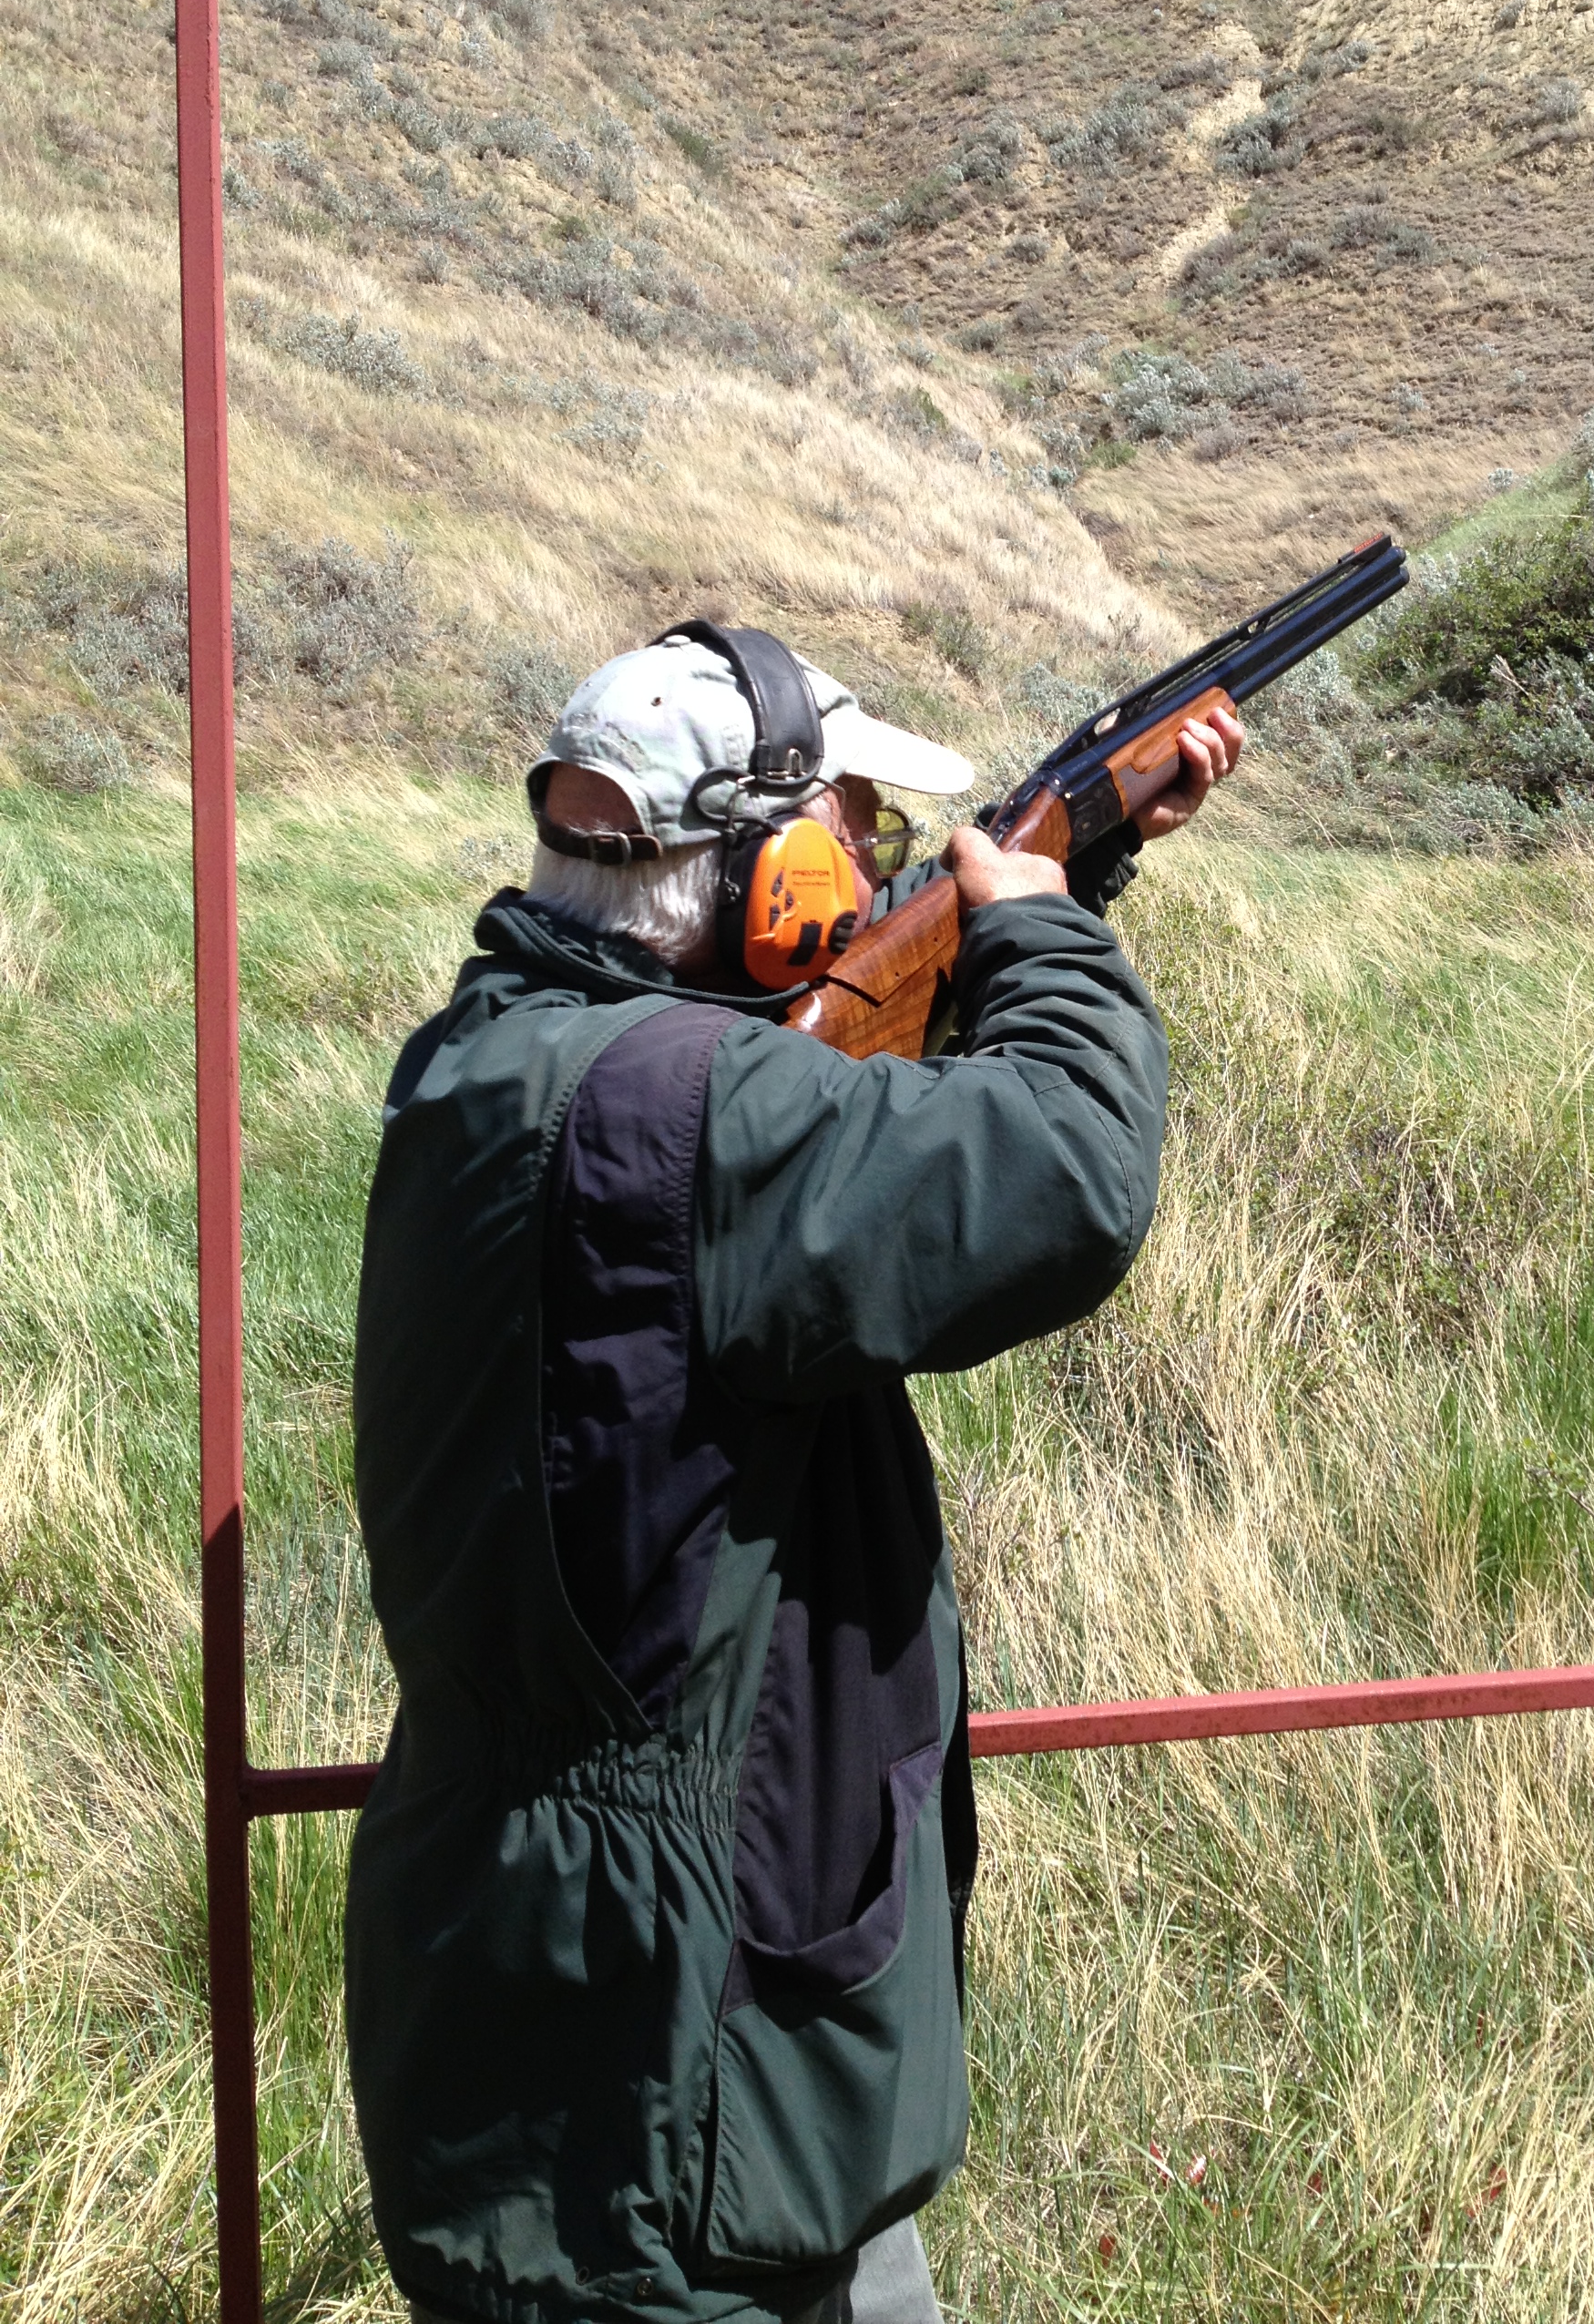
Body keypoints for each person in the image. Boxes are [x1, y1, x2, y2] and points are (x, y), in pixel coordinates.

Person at [346, 620, 1241, 2324]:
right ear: (767, 878)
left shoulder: (493, 1056)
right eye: (855, 832)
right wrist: (1039, 938)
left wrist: (1073, 862)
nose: (877, 865)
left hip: (525, 1981)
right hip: (692, 2052)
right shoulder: (696, 1122)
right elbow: (1061, 1171)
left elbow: (821, 1085)